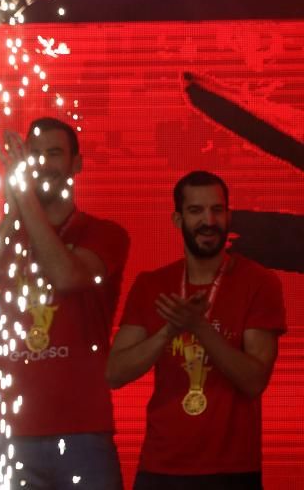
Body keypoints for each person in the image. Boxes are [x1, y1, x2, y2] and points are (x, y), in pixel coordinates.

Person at [0, 118, 130, 489]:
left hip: (83, 431)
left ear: (76, 164)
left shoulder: (105, 234)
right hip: (11, 436)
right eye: (34, 155)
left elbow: (67, 276)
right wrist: (13, 215)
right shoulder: (6, 236)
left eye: (54, 153)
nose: (43, 163)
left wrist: (24, 200)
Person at [107, 171, 286, 490]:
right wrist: (167, 332)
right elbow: (114, 373)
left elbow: (254, 380)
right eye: (196, 211)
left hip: (231, 468)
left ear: (229, 216)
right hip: (161, 466)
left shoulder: (259, 282)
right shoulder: (152, 286)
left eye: (217, 210)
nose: (209, 220)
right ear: (177, 219)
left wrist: (199, 327)